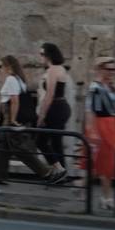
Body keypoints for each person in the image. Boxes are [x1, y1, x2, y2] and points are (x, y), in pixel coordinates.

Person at [0, 55, 56, 184]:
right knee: (3, 146)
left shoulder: (11, 79)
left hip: (10, 116)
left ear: (8, 67)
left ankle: (46, 171)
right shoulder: (19, 79)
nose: (0, 69)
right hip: (9, 116)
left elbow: (15, 101)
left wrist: (13, 119)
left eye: (1, 66)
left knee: (19, 148)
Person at [84, 57, 115, 210]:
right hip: (102, 127)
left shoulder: (111, 86)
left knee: (104, 164)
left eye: (114, 69)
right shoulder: (96, 88)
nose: (112, 72)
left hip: (114, 126)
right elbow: (90, 111)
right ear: (101, 69)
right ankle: (107, 197)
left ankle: (80, 184)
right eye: (109, 69)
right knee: (105, 163)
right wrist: (93, 131)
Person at [36, 42, 72, 181]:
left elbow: (49, 95)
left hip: (55, 108)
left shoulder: (52, 70)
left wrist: (42, 115)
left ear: (48, 55)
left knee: (40, 141)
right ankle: (62, 173)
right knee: (56, 141)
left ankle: (60, 169)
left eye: (42, 54)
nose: (41, 57)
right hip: (62, 107)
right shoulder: (61, 68)